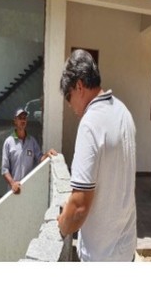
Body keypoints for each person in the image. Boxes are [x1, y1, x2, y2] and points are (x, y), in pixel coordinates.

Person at [56, 50, 136, 261]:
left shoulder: (91, 123)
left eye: (68, 96)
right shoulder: (123, 112)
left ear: (79, 86)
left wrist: (63, 224)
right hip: (126, 249)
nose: (69, 104)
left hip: (101, 255)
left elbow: (79, 207)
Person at [2, 107, 57, 195]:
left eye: (25, 118)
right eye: (20, 118)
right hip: (13, 192)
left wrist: (47, 154)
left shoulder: (32, 141)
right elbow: (4, 170)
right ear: (15, 121)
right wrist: (13, 184)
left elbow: (40, 159)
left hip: (28, 190)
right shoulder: (9, 142)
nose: (23, 120)